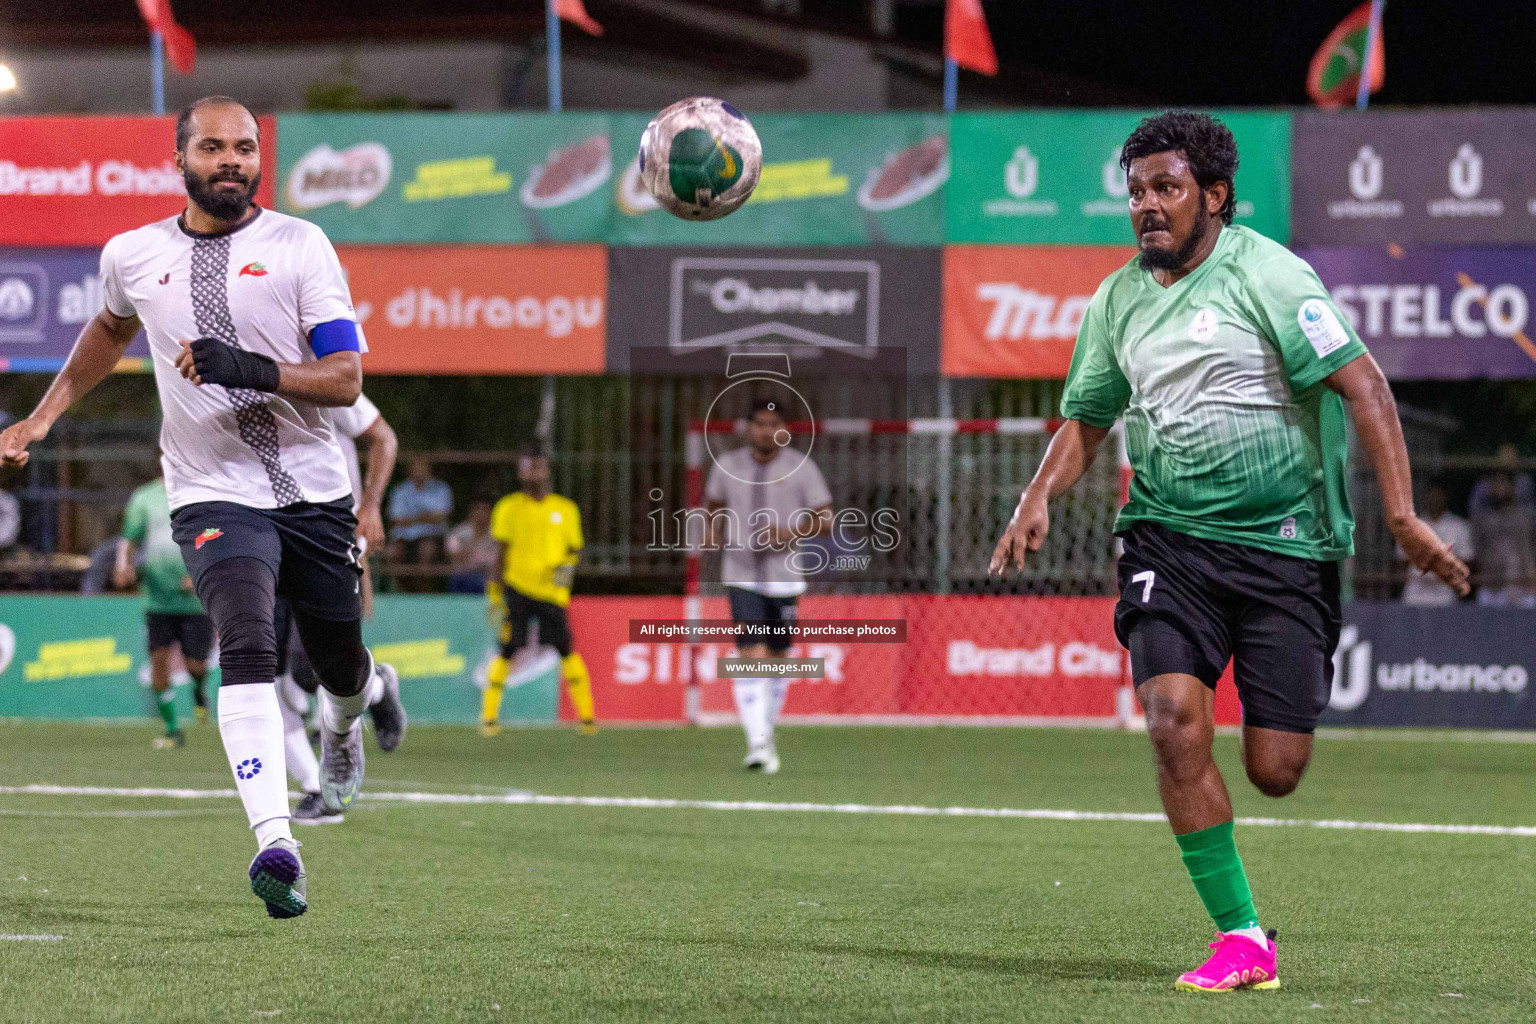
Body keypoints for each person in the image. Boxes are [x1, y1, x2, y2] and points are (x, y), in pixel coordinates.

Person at [988, 112, 1469, 993]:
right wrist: (1034, 498)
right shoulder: (1115, 301)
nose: (1147, 207)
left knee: (1274, 771)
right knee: (1173, 721)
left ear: (1214, 196)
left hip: (1288, 546)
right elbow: (1088, 419)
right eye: (1135, 191)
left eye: (1165, 188)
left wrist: (1400, 517)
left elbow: (1364, 386)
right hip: (1168, 539)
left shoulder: (1272, 277)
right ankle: (1243, 938)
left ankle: (1251, 893)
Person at [0, 96, 397, 920]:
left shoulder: (300, 245)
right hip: (211, 490)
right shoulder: (133, 254)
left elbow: (346, 381)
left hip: (317, 494)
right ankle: (274, 843)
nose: (231, 162)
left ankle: (355, 711)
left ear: (260, 159)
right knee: (245, 641)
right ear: (179, 158)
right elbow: (108, 333)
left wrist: (248, 367)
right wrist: (41, 416)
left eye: (245, 149)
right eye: (213, 147)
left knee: (340, 670)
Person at [279, 391, 407, 826]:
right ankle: (318, 788)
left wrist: (368, 506)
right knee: (262, 669)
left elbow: (383, 437)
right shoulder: (230, 379)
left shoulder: (317, 376)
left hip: (325, 535)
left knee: (308, 665)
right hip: (257, 530)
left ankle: (374, 688)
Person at [703, 398, 832, 775]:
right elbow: (712, 504)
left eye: (772, 424)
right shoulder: (728, 466)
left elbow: (825, 519)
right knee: (750, 653)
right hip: (741, 574)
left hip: (785, 578)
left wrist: (788, 532)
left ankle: (765, 733)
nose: (765, 431)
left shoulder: (801, 468)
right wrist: (712, 536)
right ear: (747, 428)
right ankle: (757, 744)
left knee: (778, 660)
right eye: (758, 423)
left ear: (784, 429)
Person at [481, 446, 593, 736]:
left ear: (547, 469)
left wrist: (565, 569)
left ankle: (587, 718)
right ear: (520, 472)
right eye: (528, 467)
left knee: (566, 648)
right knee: (508, 648)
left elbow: (576, 551)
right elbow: (500, 554)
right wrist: (495, 593)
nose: (533, 472)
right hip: (518, 589)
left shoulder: (565, 509)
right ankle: (489, 718)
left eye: (538, 466)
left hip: (552, 594)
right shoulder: (508, 507)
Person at [115, 476, 213, 746]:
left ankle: (199, 691)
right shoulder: (145, 496)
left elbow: (215, 533)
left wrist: (200, 572)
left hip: (195, 601)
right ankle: (172, 728)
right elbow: (129, 538)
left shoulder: (202, 491)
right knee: (158, 659)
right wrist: (123, 566)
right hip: (157, 597)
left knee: (196, 666)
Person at [1398, 483, 1474, 606]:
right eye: (1431, 495)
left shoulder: (1458, 526)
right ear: (1425, 497)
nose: (1434, 499)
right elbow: (1401, 560)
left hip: (1446, 589)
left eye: (1438, 495)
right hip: (1416, 589)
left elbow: (1468, 560)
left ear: (1445, 497)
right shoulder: (1412, 526)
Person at [1471, 471, 1536, 607]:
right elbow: (1478, 550)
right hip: (1491, 584)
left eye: (1501, 483)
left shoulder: (1524, 517)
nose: (1496, 487)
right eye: (1493, 483)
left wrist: (1530, 579)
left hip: (1520, 584)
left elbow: (1529, 549)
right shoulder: (1483, 518)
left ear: (1512, 487)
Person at [387, 457, 452, 589]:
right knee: (392, 553)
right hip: (403, 535)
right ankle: (401, 590)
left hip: (431, 535)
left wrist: (411, 519)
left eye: (422, 467)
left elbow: (441, 517)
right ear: (409, 470)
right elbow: (395, 519)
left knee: (426, 550)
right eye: (415, 467)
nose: (419, 471)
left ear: (429, 469)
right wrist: (425, 517)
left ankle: (424, 590)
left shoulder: (441, 489)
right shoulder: (400, 490)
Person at [446, 498, 499, 594]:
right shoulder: (458, 532)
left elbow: (497, 560)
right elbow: (454, 555)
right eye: (478, 510)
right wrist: (476, 538)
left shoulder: (498, 534)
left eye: (485, 510)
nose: (481, 514)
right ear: (471, 512)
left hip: (488, 578)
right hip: (462, 577)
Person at [1467, 444, 1534, 515]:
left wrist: (1510, 494)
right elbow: (1473, 507)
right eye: (1504, 455)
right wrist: (1491, 494)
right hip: (1489, 518)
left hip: (1517, 518)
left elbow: (1530, 507)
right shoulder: (1484, 482)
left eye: (1510, 456)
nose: (1507, 460)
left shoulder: (1524, 481)